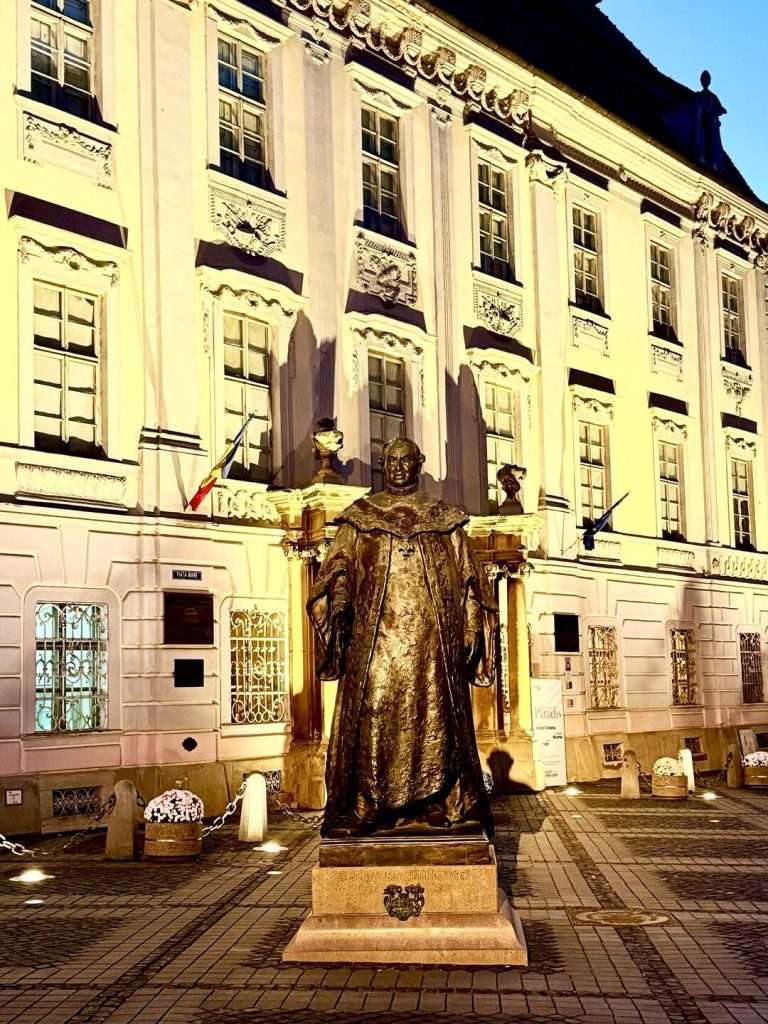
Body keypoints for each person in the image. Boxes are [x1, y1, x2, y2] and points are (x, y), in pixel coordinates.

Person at [308, 436, 497, 838]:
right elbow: (338, 566)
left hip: (433, 642)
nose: (397, 467)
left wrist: (468, 625)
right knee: (374, 714)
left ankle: (434, 801)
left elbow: (469, 579)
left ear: (418, 463)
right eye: (391, 461)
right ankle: (370, 804)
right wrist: (340, 599)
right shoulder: (361, 516)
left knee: (434, 715)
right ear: (383, 464)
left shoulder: (443, 518)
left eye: (405, 460)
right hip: (376, 640)